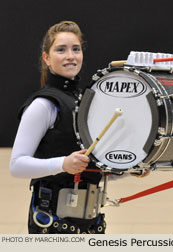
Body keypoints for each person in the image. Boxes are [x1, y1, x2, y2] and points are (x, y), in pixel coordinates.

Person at [9, 21, 131, 234]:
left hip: (91, 223)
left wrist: (128, 170)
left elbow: (91, 170)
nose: (70, 56)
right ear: (46, 58)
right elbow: (17, 165)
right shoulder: (43, 105)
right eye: (61, 50)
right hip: (51, 222)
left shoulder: (87, 102)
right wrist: (63, 164)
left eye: (76, 49)